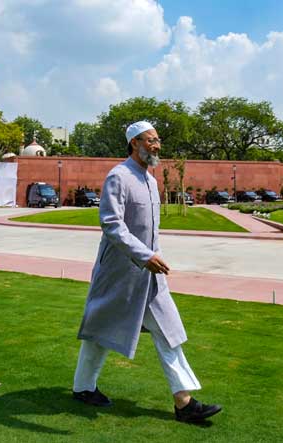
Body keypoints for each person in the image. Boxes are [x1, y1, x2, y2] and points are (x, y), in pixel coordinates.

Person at [72, 120, 222, 423]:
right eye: (150, 140)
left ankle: (184, 401)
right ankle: (83, 387)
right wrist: (145, 256)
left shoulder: (152, 181)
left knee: (169, 331)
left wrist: (155, 259)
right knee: (100, 332)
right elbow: (111, 224)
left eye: (158, 140)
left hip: (151, 275)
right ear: (134, 144)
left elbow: (151, 232)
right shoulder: (119, 176)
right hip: (120, 273)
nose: (156, 145)